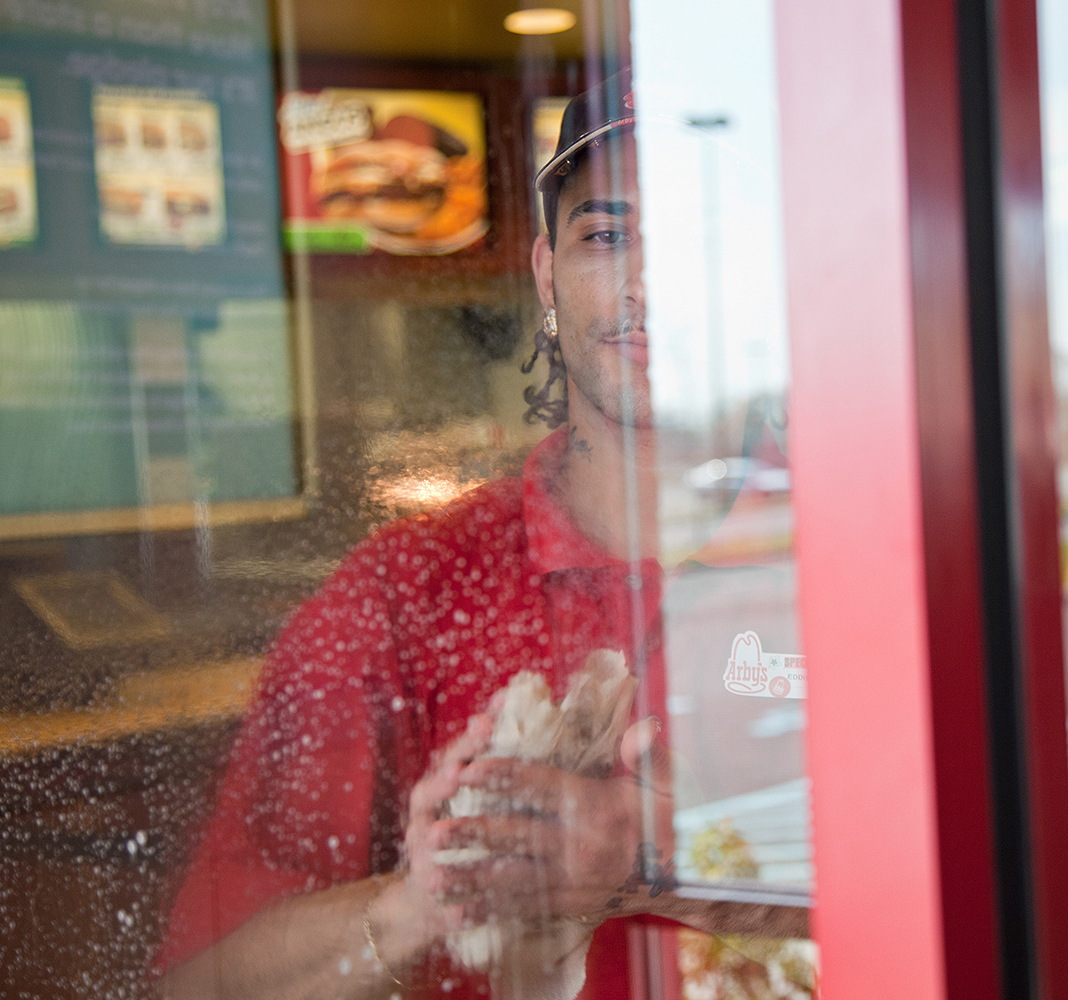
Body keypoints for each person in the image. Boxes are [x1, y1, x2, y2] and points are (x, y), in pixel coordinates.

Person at [154, 73, 805, 1000]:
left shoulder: (869, 561)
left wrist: (671, 864)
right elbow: (198, 987)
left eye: (701, 231)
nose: (650, 282)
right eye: (606, 235)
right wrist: (427, 897)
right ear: (546, 273)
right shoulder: (407, 596)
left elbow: (1036, 889)